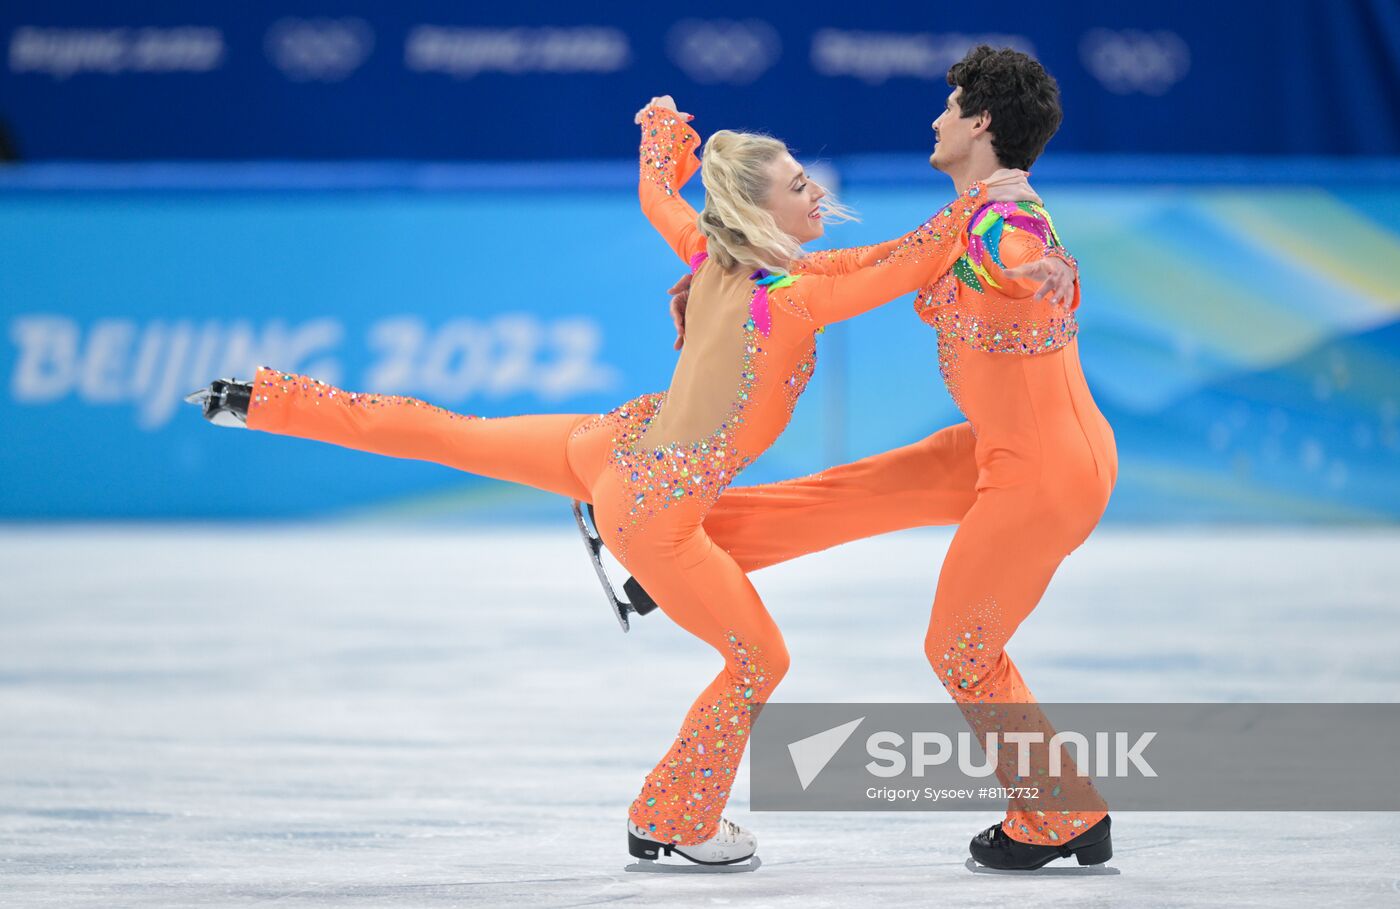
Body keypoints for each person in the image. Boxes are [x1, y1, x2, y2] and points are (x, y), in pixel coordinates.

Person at [185, 95, 1055, 871]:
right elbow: (913, 257)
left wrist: (658, 143)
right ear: (760, 206)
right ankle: (674, 816)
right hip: (658, 506)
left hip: (615, 448)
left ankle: (264, 398)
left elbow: (662, 199)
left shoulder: (722, 256)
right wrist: (999, 192)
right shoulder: (789, 297)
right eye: (797, 184)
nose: (815, 191)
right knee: (758, 658)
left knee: (450, 433)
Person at [616, 47, 1118, 872]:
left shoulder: (1003, 222)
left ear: (982, 123)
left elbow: (1015, 256)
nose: (936, 119)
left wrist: (1037, 272)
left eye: (950, 106)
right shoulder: (971, 212)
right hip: (1008, 443)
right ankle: (680, 553)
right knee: (864, 489)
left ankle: (1061, 814)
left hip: (1044, 470)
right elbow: (810, 264)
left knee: (960, 648)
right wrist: (708, 235)